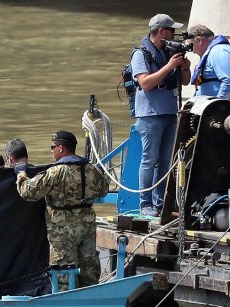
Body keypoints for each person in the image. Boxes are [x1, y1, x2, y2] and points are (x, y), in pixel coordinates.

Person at [15, 131, 109, 290]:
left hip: (62, 230)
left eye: (52, 147)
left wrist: (21, 173)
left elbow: (28, 192)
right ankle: (91, 302)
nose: (51, 151)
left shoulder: (55, 172)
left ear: (61, 148)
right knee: (89, 269)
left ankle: (66, 306)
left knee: (63, 271)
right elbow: (103, 190)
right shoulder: (91, 169)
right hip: (87, 227)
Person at [131, 14, 191, 217]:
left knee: (165, 160)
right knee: (149, 159)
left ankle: (160, 203)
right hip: (150, 114)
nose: (173, 34)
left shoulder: (169, 52)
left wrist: (184, 67)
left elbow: (185, 81)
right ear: (162, 31)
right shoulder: (141, 53)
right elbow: (145, 83)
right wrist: (169, 67)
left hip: (170, 111)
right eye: (171, 30)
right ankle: (145, 203)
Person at [187, 25, 230, 99]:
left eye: (191, 45)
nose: (191, 50)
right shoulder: (212, 52)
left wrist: (218, 105)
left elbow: (228, 80)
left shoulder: (218, 51)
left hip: (220, 108)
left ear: (199, 41)